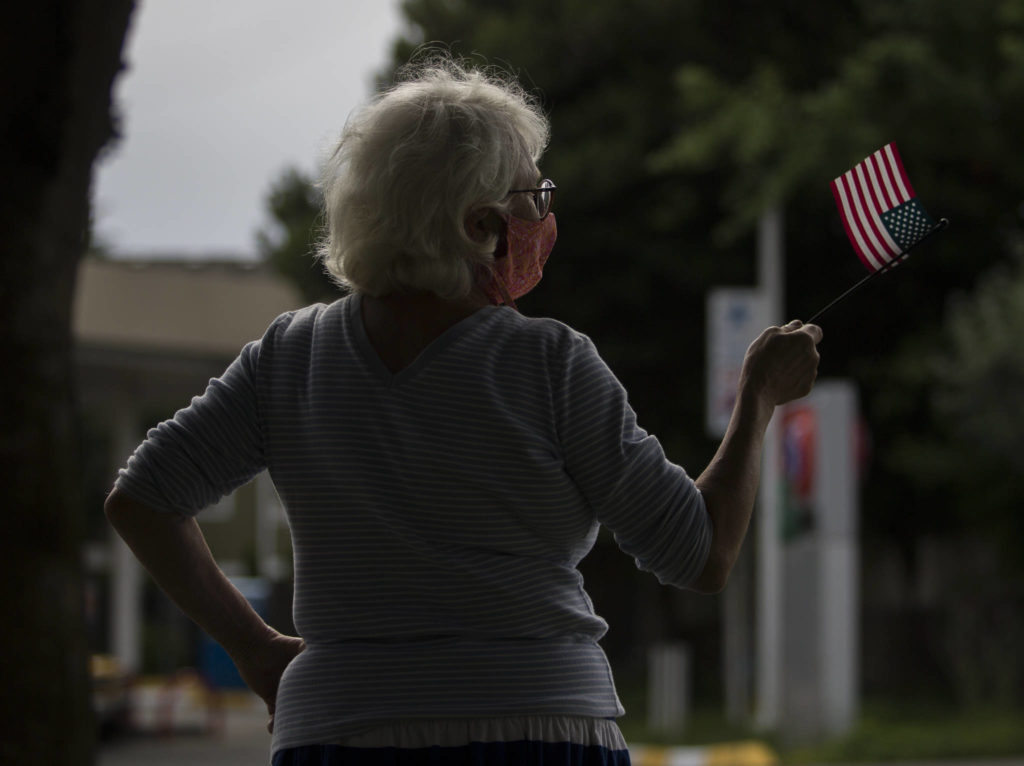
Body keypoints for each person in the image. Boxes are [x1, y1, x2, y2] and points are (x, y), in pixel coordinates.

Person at [105, 56, 822, 766]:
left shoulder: (292, 357)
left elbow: (143, 500)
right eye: (533, 199)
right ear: (481, 226)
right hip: (539, 730)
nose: (544, 217)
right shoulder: (549, 364)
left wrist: (256, 650)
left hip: (335, 730)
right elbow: (701, 553)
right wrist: (758, 396)